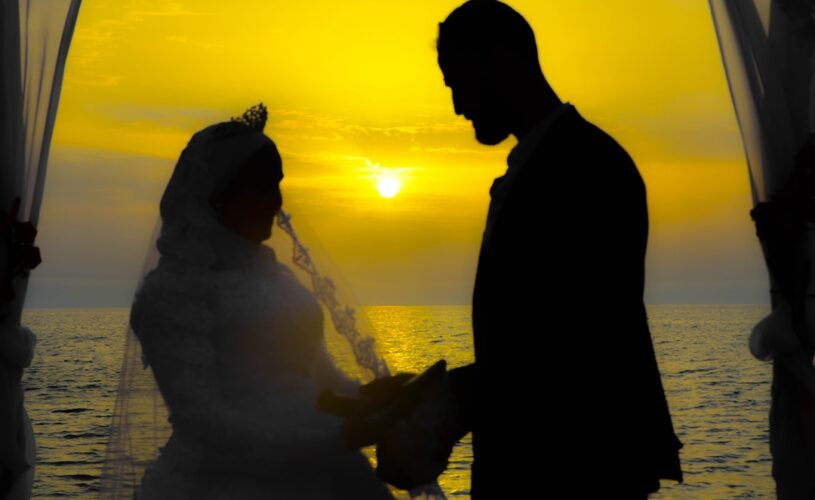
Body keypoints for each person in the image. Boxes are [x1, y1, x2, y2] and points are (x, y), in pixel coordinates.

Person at [365, 1, 683, 497]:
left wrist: (449, 399)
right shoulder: (550, 163)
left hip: (578, 468)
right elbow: (527, 335)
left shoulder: (587, 168)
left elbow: (575, 343)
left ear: (500, 61)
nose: (456, 106)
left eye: (457, 82)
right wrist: (419, 393)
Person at [129, 105, 393, 499]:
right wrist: (335, 439)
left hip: (329, 470)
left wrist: (376, 397)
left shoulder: (276, 276)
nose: (278, 201)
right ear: (219, 195)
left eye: (279, 184)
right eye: (263, 186)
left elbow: (320, 383)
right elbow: (203, 422)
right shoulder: (172, 294)